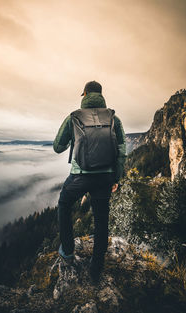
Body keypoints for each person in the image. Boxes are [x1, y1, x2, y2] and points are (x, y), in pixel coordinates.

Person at [53, 81, 126, 281]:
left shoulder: (74, 117)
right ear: (101, 95)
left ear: (84, 94)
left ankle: (67, 250)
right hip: (105, 176)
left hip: (80, 176)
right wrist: (116, 178)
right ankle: (96, 268)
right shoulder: (114, 118)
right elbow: (121, 152)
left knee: (64, 204)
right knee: (101, 217)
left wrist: (74, 138)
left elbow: (57, 147)